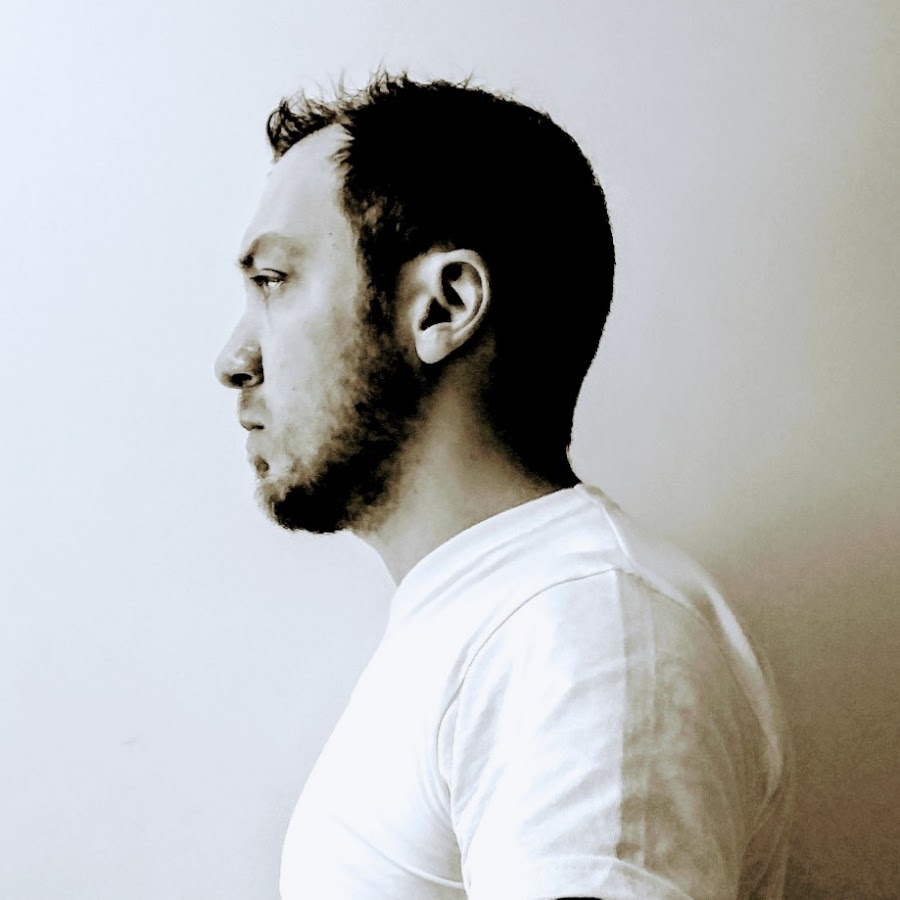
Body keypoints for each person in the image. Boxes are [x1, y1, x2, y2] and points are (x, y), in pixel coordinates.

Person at [215, 72, 793, 900]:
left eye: (273, 281)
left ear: (444, 306)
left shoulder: (584, 632)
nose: (234, 358)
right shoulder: (505, 621)